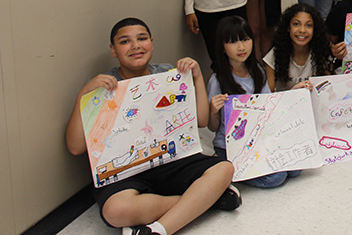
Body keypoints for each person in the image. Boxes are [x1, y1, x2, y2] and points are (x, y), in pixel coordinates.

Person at [65, 18, 239, 235]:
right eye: (125, 41)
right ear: (113, 50)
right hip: (126, 171)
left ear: (152, 42)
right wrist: (84, 93)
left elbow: (202, 121)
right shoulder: (103, 85)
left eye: (142, 38)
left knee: (224, 168)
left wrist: (195, 77)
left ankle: (157, 229)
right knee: (116, 211)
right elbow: (75, 147)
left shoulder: (167, 74)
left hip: (170, 159)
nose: (136, 46)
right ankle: (205, 201)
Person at [208, 16, 304, 188]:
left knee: (295, 170)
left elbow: (268, 107)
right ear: (222, 47)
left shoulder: (257, 72)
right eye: (232, 42)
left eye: (245, 39)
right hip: (229, 148)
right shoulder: (217, 81)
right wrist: (213, 111)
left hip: (257, 140)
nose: (241, 47)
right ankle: (231, 171)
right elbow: (213, 127)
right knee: (275, 178)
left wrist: (292, 93)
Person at [265, 3, 333, 91]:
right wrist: (294, 92)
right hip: (284, 103)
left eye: (308, 25)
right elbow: (268, 94)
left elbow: (328, 89)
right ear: (288, 27)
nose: (302, 30)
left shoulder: (321, 52)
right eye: (296, 24)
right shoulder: (274, 55)